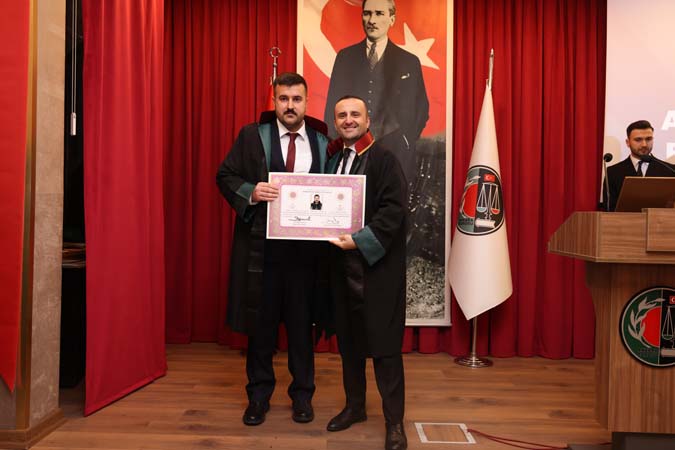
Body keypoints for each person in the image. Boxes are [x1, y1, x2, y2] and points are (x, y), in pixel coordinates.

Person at [215, 72, 329, 426]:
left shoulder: (323, 141)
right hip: (261, 253)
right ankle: (258, 397)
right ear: (274, 101)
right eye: (283, 99)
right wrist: (251, 191)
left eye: (296, 99)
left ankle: (302, 397)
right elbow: (225, 175)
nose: (290, 106)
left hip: (306, 256)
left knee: (301, 329)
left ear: (306, 102)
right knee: (261, 329)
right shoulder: (252, 136)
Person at [326, 95, 408, 450]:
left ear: (367, 119)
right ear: (335, 121)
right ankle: (355, 408)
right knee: (349, 345)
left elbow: (394, 211)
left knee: (385, 349)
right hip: (340, 270)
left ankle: (394, 423)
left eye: (355, 114)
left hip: (377, 271)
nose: (348, 120)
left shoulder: (384, 160)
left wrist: (358, 242)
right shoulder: (332, 162)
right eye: (342, 115)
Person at [323, 0, 429, 184]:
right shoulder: (345, 57)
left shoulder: (409, 61)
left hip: (396, 152)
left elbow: (421, 109)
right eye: (367, 13)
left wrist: (405, 139)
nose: (372, 20)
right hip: (352, 151)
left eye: (379, 14)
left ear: (392, 19)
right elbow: (332, 104)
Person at [604, 120, 675, 211]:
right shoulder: (613, 172)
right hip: (625, 220)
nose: (644, 144)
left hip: (659, 220)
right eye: (638, 140)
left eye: (648, 139)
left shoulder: (669, 170)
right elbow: (609, 210)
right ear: (628, 142)